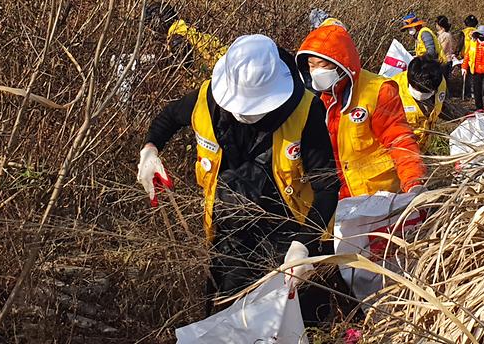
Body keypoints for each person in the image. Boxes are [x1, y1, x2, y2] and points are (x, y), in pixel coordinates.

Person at [137, 34, 341, 309]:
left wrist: (304, 245)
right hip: (230, 230)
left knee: (301, 314)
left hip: (289, 230)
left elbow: (327, 186)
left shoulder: (305, 110)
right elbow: (168, 118)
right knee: (229, 311)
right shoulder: (207, 100)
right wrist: (150, 151)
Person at [296, 24, 427, 199]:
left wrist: (413, 182)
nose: (316, 72)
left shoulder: (377, 91)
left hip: (377, 197)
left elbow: (399, 139)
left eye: (322, 65)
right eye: (311, 65)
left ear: (341, 64)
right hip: (336, 199)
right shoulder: (314, 100)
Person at [144, 1, 227, 69]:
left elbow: (185, 60)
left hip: (218, 72)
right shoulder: (184, 27)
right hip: (226, 62)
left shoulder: (176, 36)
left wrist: (160, 64)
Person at [392, 55, 447, 150]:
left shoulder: (439, 81)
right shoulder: (392, 91)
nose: (422, 97)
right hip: (401, 150)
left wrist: (464, 115)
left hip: (423, 147)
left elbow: (442, 105)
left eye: (426, 93)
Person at [460, 15, 479, 99]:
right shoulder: (479, 32)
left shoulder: (464, 32)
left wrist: (456, 52)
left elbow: (460, 44)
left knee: (466, 76)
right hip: (477, 56)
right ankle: (474, 93)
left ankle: (467, 94)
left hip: (466, 56)